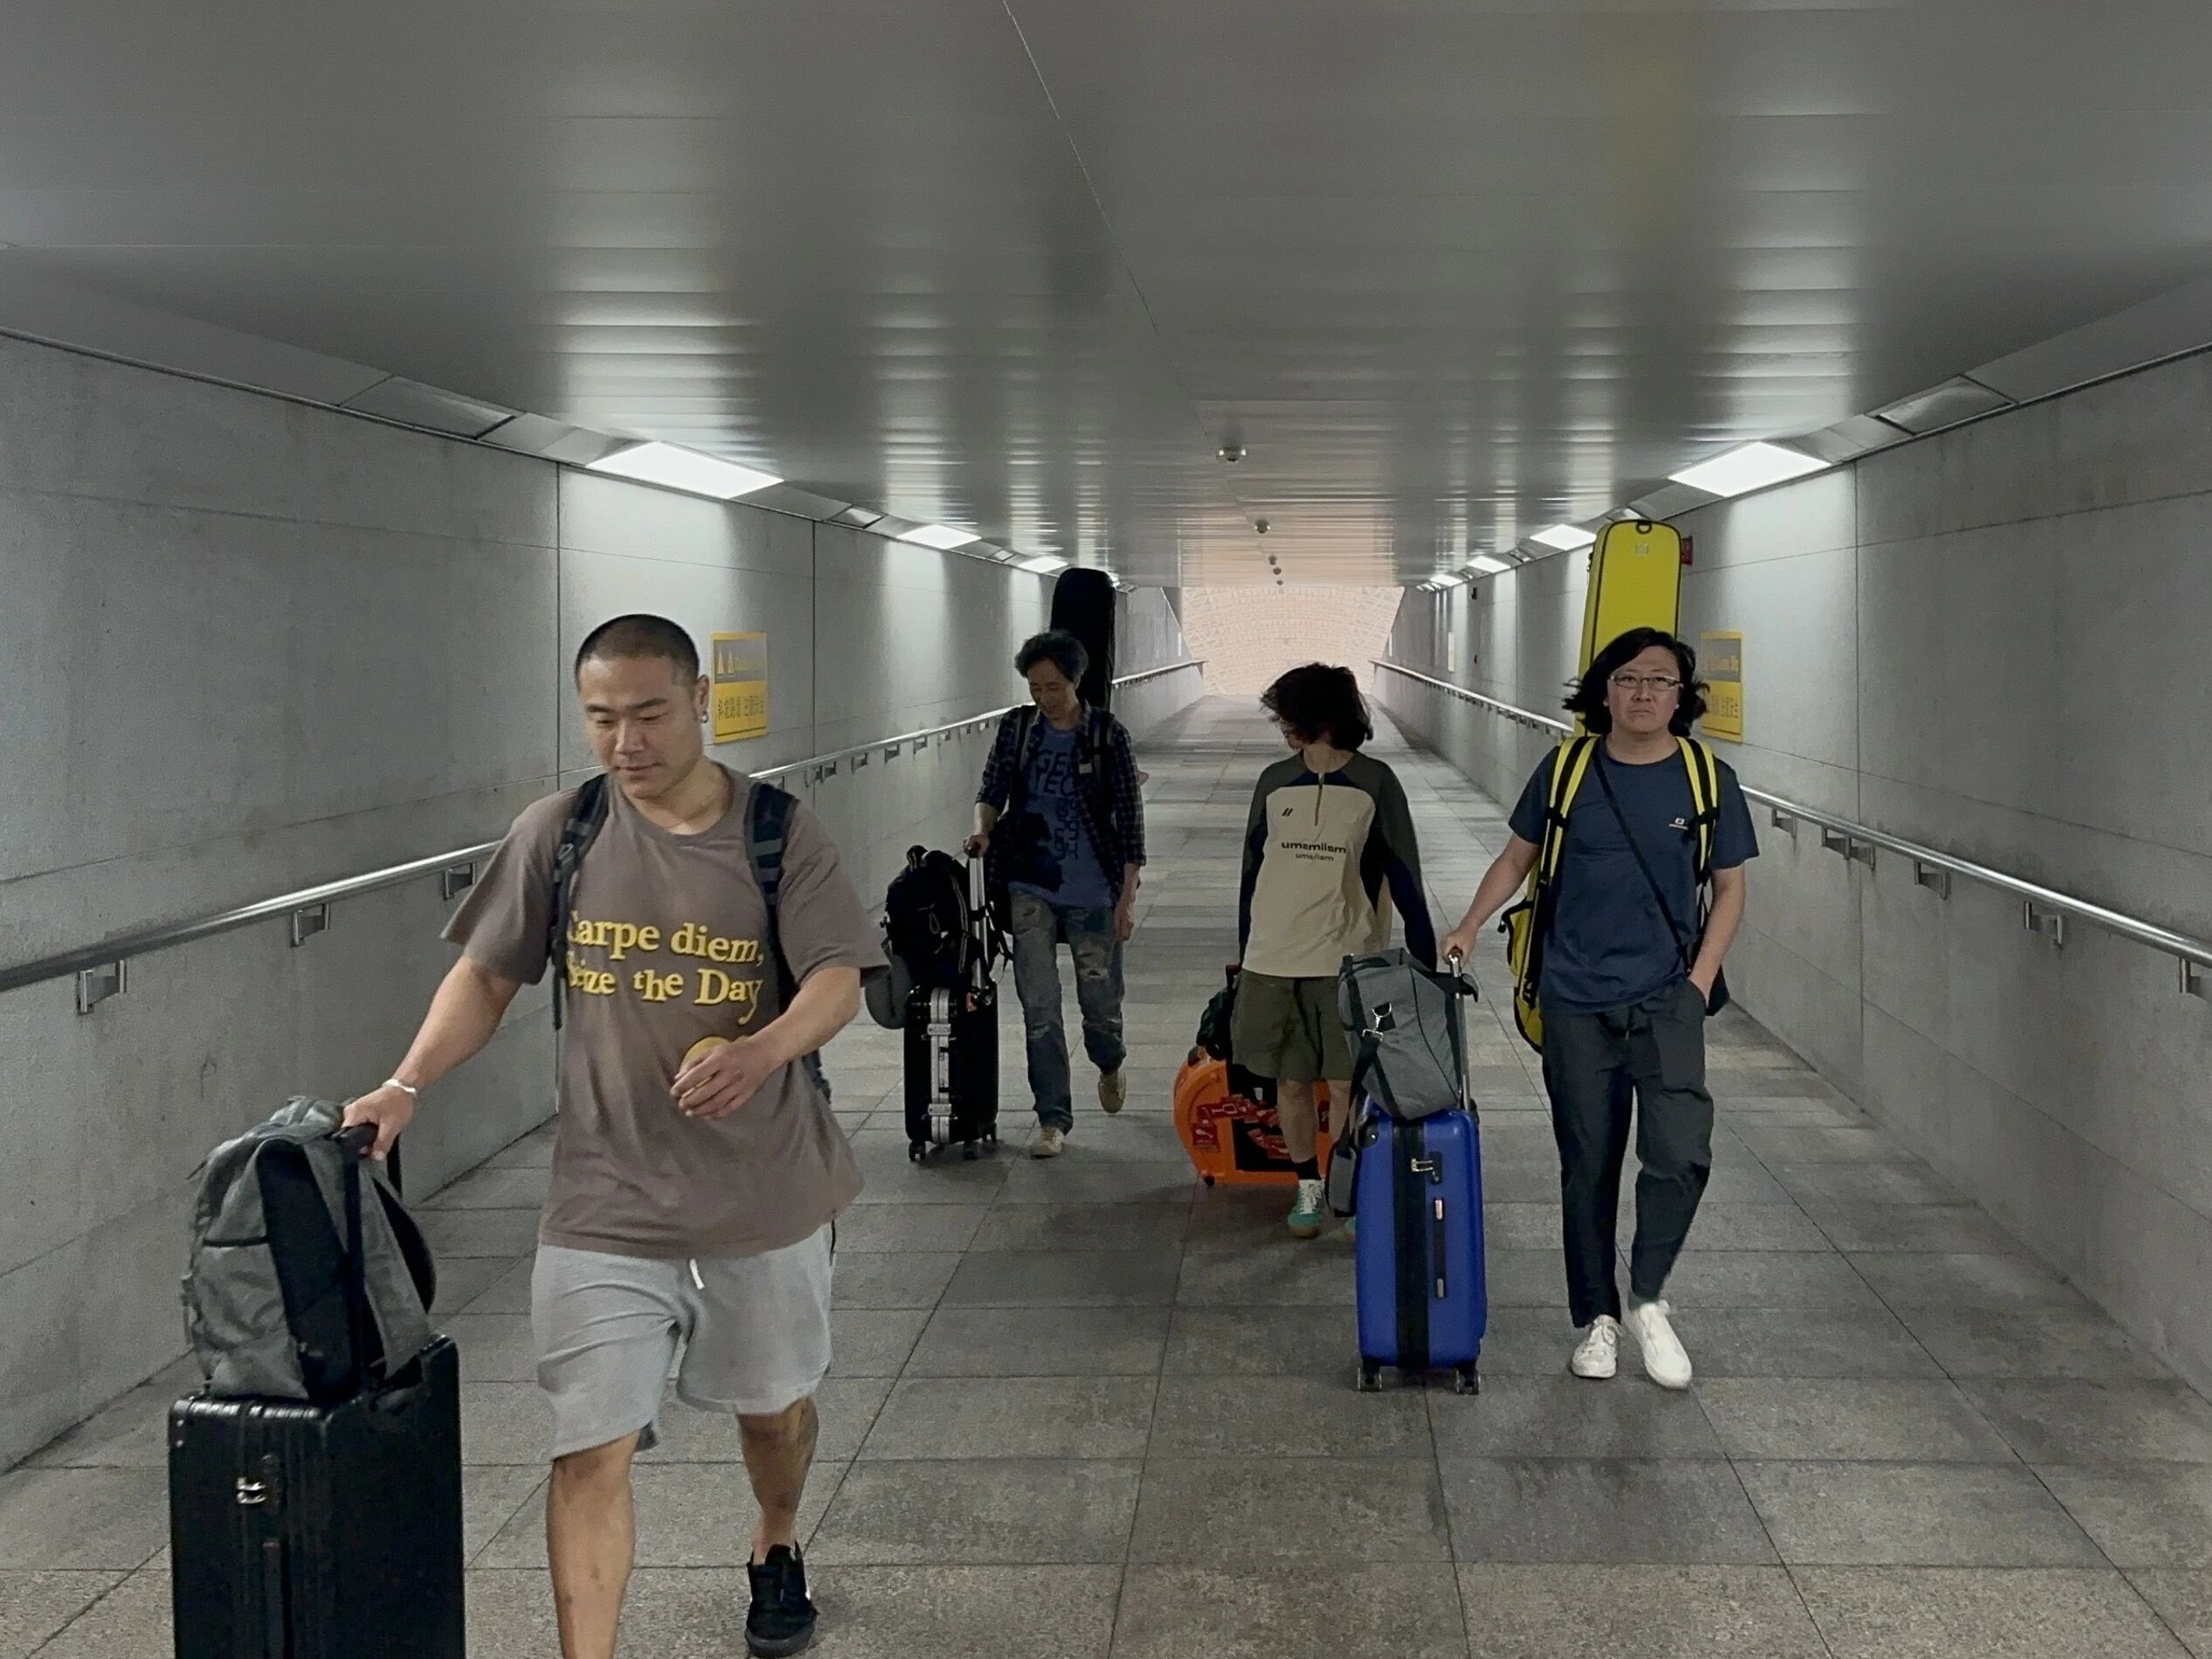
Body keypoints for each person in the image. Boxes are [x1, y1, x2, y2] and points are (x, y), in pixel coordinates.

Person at [342, 614, 882, 1659]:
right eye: (600, 718)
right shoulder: (563, 831)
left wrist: (762, 1050)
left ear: (700, 703)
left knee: (773, 1414)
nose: (625, 742)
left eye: (649, 714)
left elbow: (835, 978)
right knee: (589, 1451)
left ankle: (775, 1537)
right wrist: (405, 1083)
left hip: (762, 1196)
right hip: (603, 1201)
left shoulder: (779, 832)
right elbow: (487, 974)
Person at [1440, 627, 1756, 1390]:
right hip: (1575, 998)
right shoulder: (1567, 768)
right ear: (1604, 691)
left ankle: (1647, 1297)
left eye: (1660, 680)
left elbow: (1731, 887)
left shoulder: (1707, 779)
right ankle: (1599, 1319)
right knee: (1588, 1162)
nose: (1643, 693)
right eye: (1628, 678)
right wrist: (1470, 923)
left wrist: (1698, 982)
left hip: (1667, 996)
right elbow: (1516, 857)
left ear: (1681, 698)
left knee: (1680, 1151)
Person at [1235, 663, 1434, 1238]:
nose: (1282, 726)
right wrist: (1244, 949)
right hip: (1274, 957)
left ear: (1317, 716)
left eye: (1287, 715)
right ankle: (1307, 1185)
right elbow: (1252, 871)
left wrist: (1424, 956)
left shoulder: (1375, 782)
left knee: (1348, 1083)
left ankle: (1348, 1182)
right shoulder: (1274, 781)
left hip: (1347, 958)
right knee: (1291, 1081)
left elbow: (1403, 869)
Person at [968, 629, 1146, 1158]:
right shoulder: (1019, 729)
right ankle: (1052, 1119)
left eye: (1053, 687)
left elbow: (1131, 822)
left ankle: (1109, 1061)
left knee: (1099, 1004)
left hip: (1094, 890)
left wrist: (1127, 899)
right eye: (1035, 687)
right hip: (1030, 884)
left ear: (1076, 680)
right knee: (1039, 1008)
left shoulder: (1107, 735)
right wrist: (983, 829)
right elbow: (991, 788)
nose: (1044, 698)